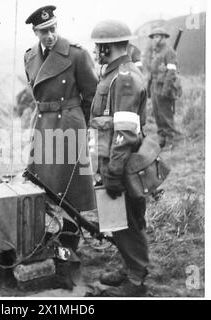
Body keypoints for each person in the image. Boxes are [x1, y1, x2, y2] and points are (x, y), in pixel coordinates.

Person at [24, 5, 98, 251]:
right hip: (44, 123)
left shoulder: (76, 54)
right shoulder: (30, 57)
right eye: (43, 31)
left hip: (69, 123)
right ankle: (49, 233)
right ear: (35, 32)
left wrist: (80, 125)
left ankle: (70, 238)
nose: (50, 35)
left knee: (71, 185)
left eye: (52, 28)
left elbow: (91, 95)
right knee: (42, 181)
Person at [87, 20, 149, 297]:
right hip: (113, 160)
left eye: (99, 47)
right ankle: (130, 267)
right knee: (122, 220)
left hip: (120, 163)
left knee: (127, 221)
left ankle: (135, 281)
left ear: (107, 47)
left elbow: (124, 131)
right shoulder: (116, 73)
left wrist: (113, 172)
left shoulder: (122, 78)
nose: (96, 51)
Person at [148, 27, 180, 149]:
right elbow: (152, 72)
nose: (155, 39)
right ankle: (162, 138)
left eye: (157, 36)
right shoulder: (155, 52)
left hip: (163, 87)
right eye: (154, 37)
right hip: (155, 86)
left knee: (166, 114)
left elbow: (171, 72)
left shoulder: (169, 51)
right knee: (157, 114)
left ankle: (170, 140)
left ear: (163, 38)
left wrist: (165, 90)